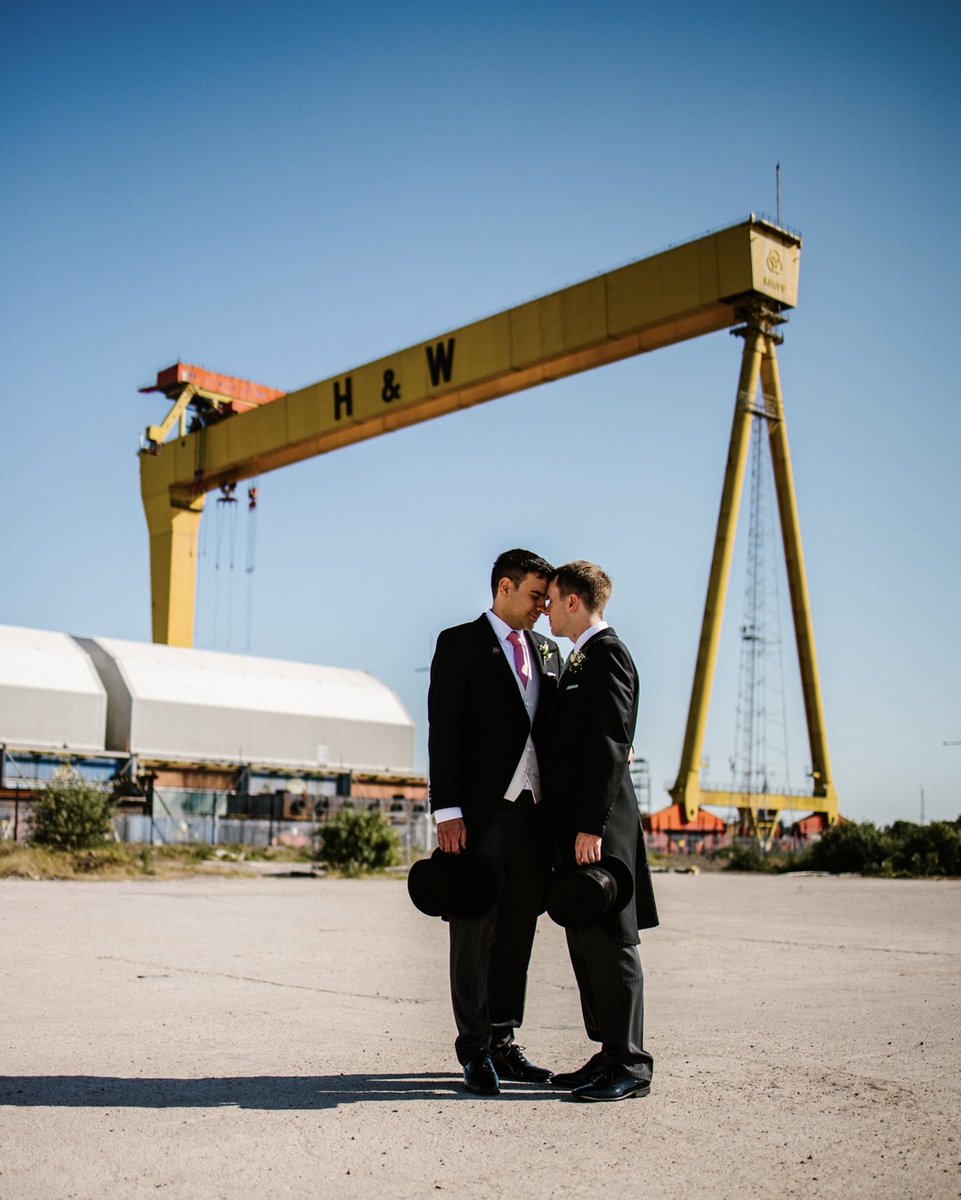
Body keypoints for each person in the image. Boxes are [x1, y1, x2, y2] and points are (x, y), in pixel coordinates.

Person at [427, 548, 561, 1095]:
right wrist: (448, 810)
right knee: (474, 929)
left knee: (517, 931)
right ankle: (474, 1048)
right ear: (505, 587)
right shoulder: (458, 643)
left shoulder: (550, 651)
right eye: (536, 595)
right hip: (481, 815)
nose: (542, 608)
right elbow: (444, 730)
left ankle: (504, 1040)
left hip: (535, 815)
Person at [540, 560, 658, 1102]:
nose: (544, 608)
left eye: (552, 597)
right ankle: (609, 1051)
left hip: (601, 825)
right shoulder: (580, 658)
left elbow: (611, 744)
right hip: (580, 825)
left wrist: (591, 825)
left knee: (613, 941)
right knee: (585, 938)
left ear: (573, 601)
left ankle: (631, 1063)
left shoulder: (608, 655)